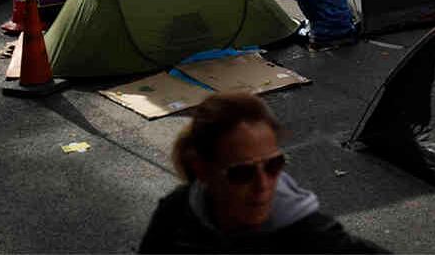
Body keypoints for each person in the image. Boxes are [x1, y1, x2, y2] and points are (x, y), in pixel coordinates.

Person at [140, 93, 383, 254]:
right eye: (242, 173)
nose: (263, 185)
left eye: (273, 165)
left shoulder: (311, 237)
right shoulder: (176, 214)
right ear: (202, 170)